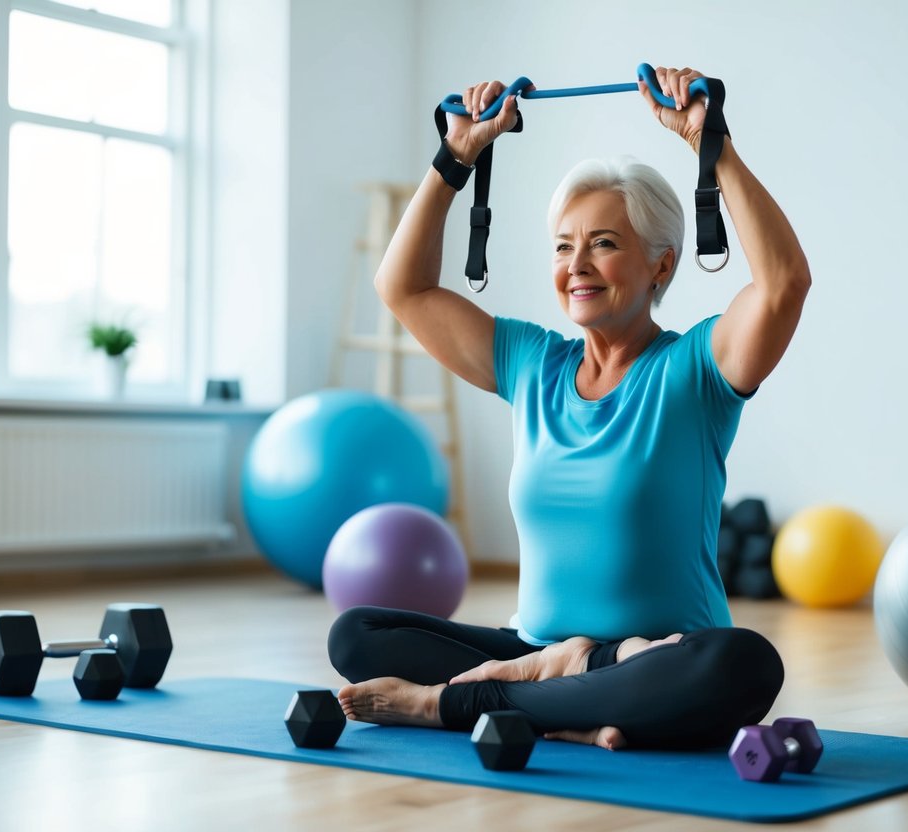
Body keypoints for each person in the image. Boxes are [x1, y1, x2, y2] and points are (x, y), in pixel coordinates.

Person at [329, 65, 810, 751]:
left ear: (661, 266)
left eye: (604, 244)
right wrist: (457, 153)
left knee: (742, 662)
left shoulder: (695, 368)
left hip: (663, 655)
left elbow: (784, 284)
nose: (575, 264)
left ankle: (470, 701)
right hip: (540, 649)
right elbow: (401, 287)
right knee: (358, 634)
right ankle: (572, 691)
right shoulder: (534, 365)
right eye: (563, 246)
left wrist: (712, 145)